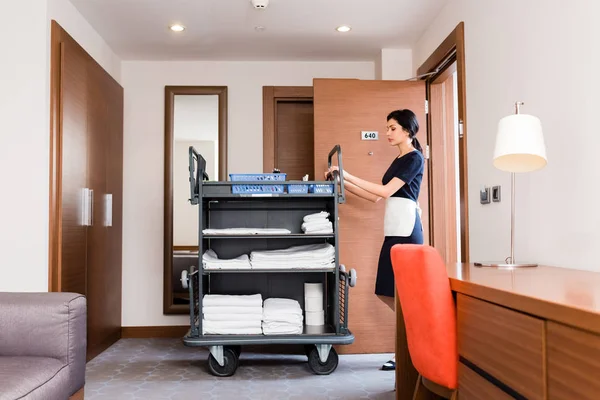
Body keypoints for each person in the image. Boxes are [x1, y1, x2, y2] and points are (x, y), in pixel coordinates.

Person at [325, 109, 425, 371]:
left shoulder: (415, 158)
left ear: (408, 130)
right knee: (386, 290)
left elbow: (383, 190)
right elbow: (375, 197)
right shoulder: (399, 159)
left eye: (392, 128)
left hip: (407, 231)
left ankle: (410, 348)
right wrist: (341, 181)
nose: (387, 133)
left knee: (402, 293)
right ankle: (412, 343)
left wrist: (345, 173)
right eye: (387, 128)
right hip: (394, 229)